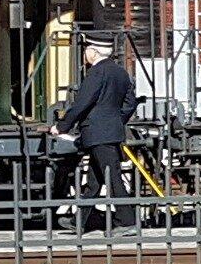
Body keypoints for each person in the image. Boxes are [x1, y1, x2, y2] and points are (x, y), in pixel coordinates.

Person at [51, 32, 140, 234]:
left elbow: (83, 102)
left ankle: (127, 221)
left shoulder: (96, 73)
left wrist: (62, 126)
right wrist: (116, 121)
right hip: (109, 133)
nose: (85, 53)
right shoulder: (120, 72)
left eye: (86, 50)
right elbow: (130, 103)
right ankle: (79, 221)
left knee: (113, 177)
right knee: (94, 181)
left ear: (93, 52)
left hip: (98, 134)